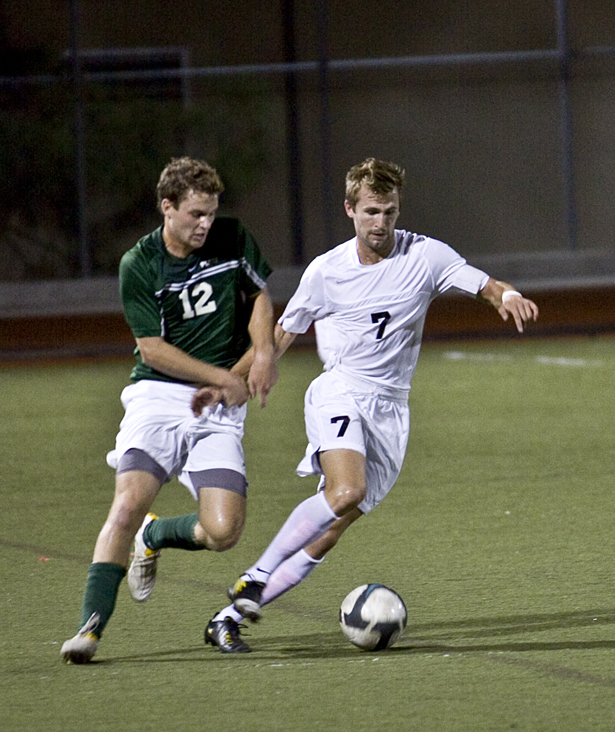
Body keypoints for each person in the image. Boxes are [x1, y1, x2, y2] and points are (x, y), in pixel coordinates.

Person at [195, 158, 538, 651]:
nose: (382, 223)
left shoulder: (426, 256)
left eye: (390, 212)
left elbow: (485, 285)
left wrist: (508, 296)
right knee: (346, 490)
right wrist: (233, 380)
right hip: (340, 391)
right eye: (372, 212)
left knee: (330, 531)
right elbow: (280, 334)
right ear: (350, 210)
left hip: (391, 411)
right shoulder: (327, 271)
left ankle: (228, 616)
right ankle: (255, 577)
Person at [61, 157, 278, 663]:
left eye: (211, 212)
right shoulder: (139, 263)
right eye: (196, 214)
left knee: (223, 532)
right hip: (158, 395)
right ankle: (89, 630)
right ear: (167, 208)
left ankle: (156, 535)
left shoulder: (232, 236)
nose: (206, 223)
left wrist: (263, 353)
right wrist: (224, 376)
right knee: (128, 501)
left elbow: (261, 296)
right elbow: (152, 349)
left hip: (217, 407)